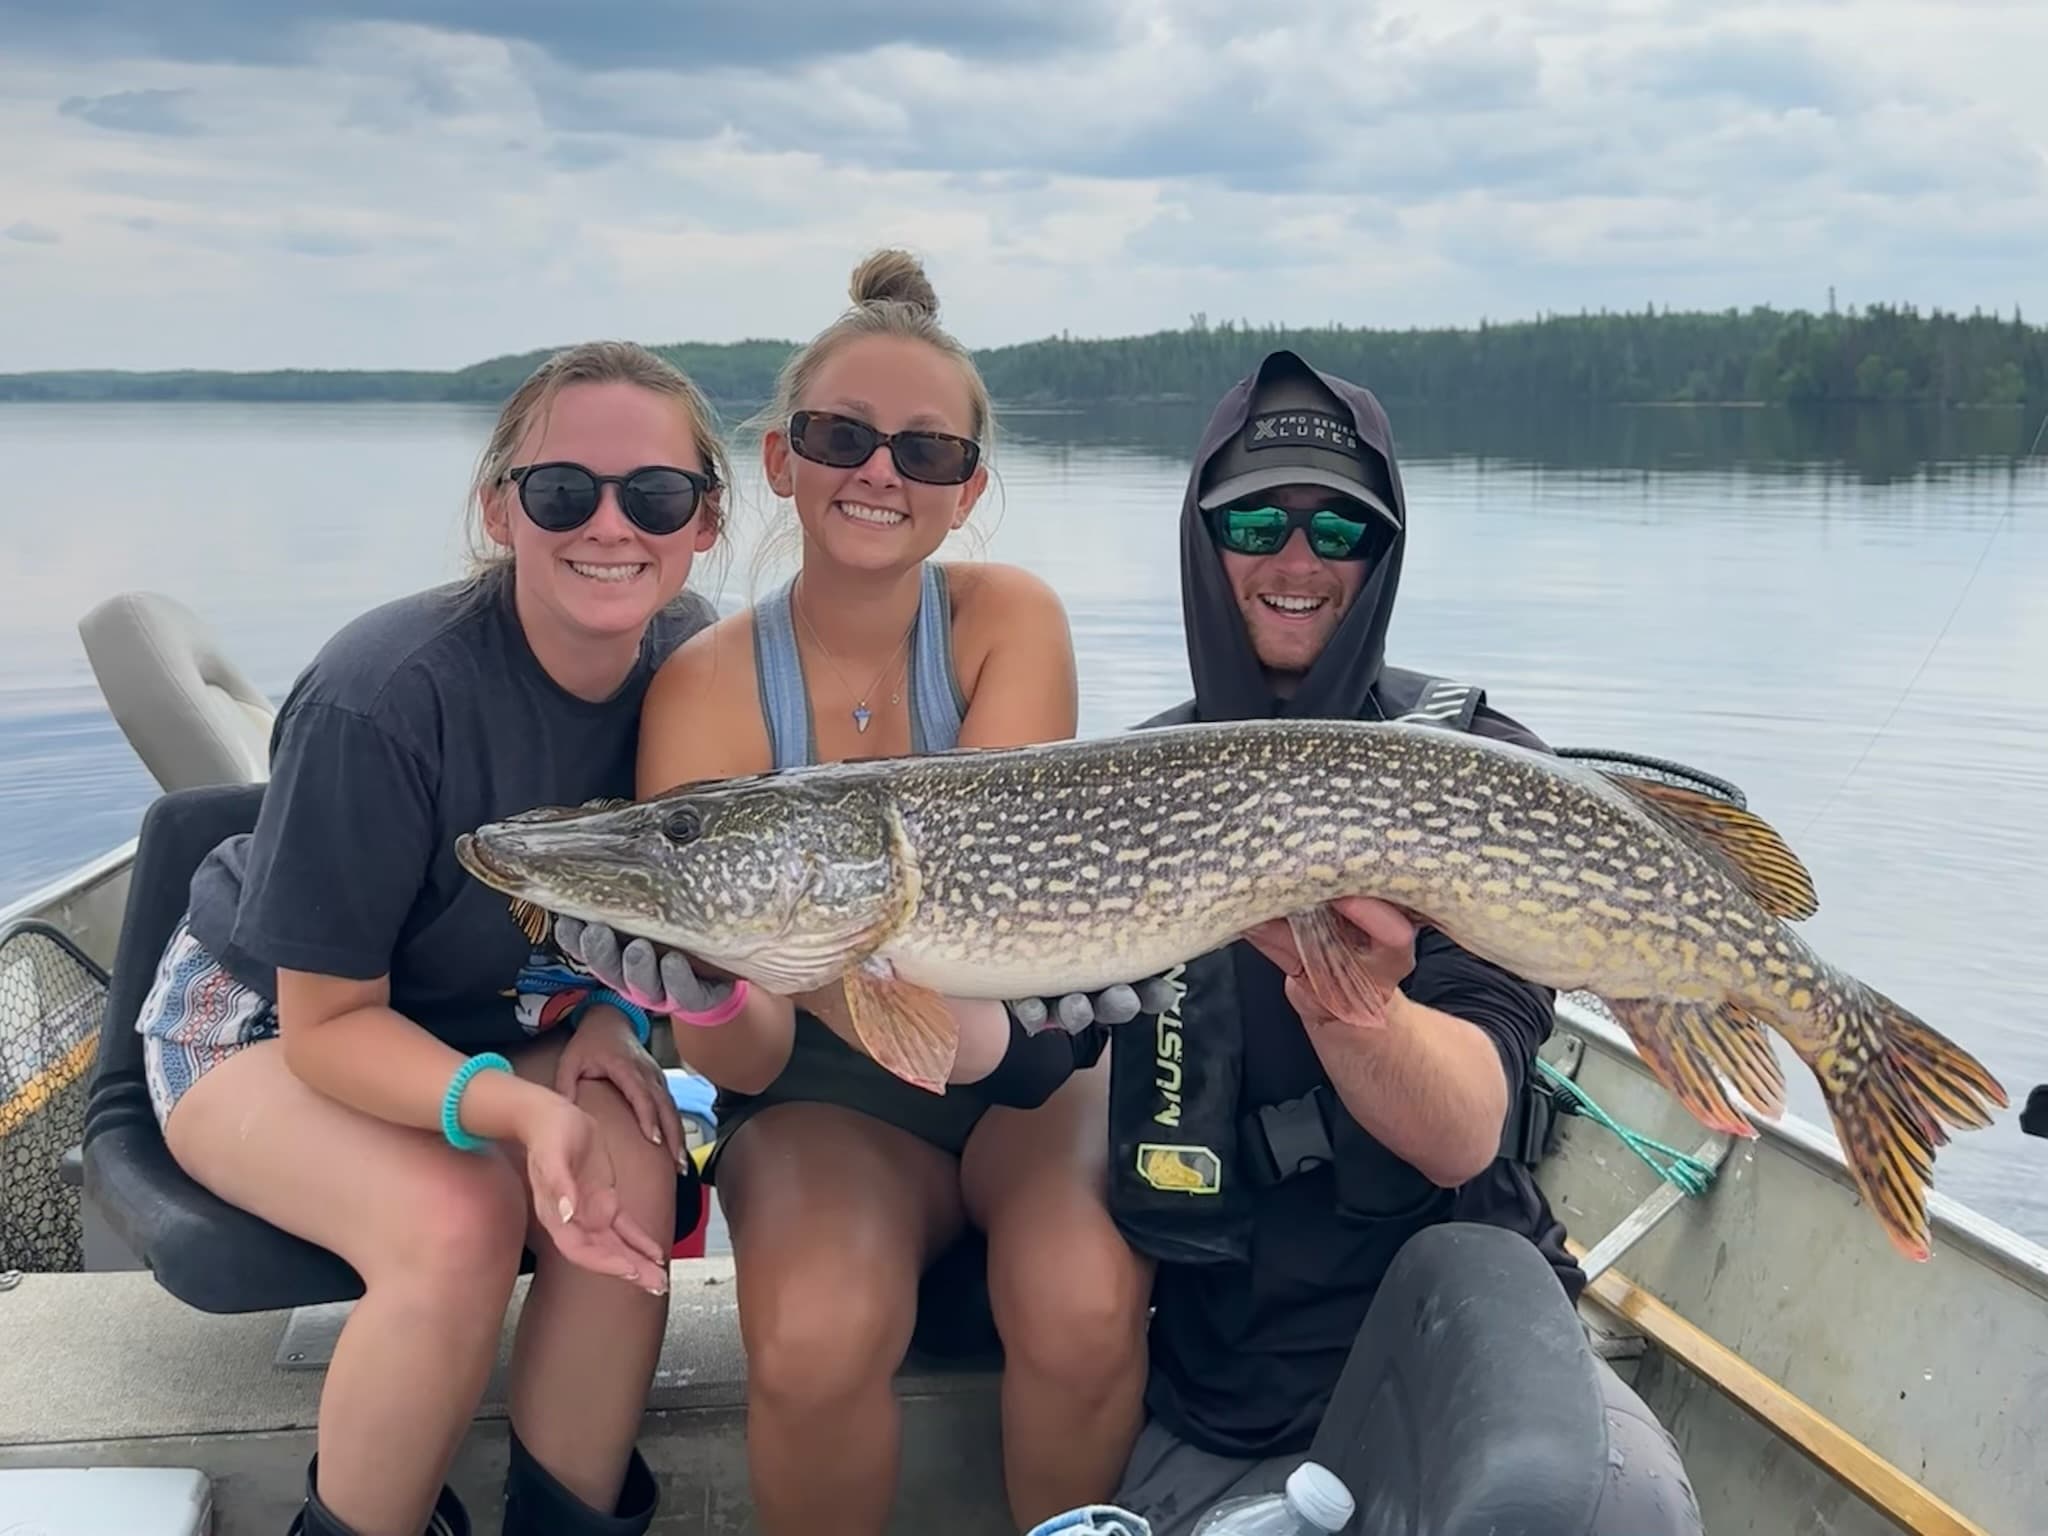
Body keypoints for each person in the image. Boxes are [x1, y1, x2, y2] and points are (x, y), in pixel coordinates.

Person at [562, 249, 1155, 1536]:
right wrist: (707, 990)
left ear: (966, 493)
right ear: (781, 460)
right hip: (827, 1092)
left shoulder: (1009, 621)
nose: (880, 472)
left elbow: (993, 925)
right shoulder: (707, 687)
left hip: (1023, 1074)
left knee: (1085, 1303)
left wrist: (825, 963)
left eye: (924, 454)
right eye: (842, 437)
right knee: (814, 1339)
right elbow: (762, 1058)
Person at [132, 341, 738, 1536]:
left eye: (655, 495)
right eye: (563, 490)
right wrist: (522, 1108)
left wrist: (606, 1016)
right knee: (454, 1222)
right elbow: (328, 1023)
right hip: (264, 1026)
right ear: (499, 507)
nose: (609, 526)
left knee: (634, 1163)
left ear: (704, 522)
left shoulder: (690, 664)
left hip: (501, 1014)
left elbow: (635, 908)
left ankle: (564, 1518)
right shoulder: (383, 696)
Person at [1103, 349, 1704, 1535]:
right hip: (1223, 1385)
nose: (1295, 559)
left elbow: (1461, 1128)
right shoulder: (1124, 787)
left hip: (1470, 1328)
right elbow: (994, 1060)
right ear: (1198, 537)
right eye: (1254, 520)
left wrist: (1356, 1008)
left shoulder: (1480, 767)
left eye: (1339, 529)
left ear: (1381, 558)